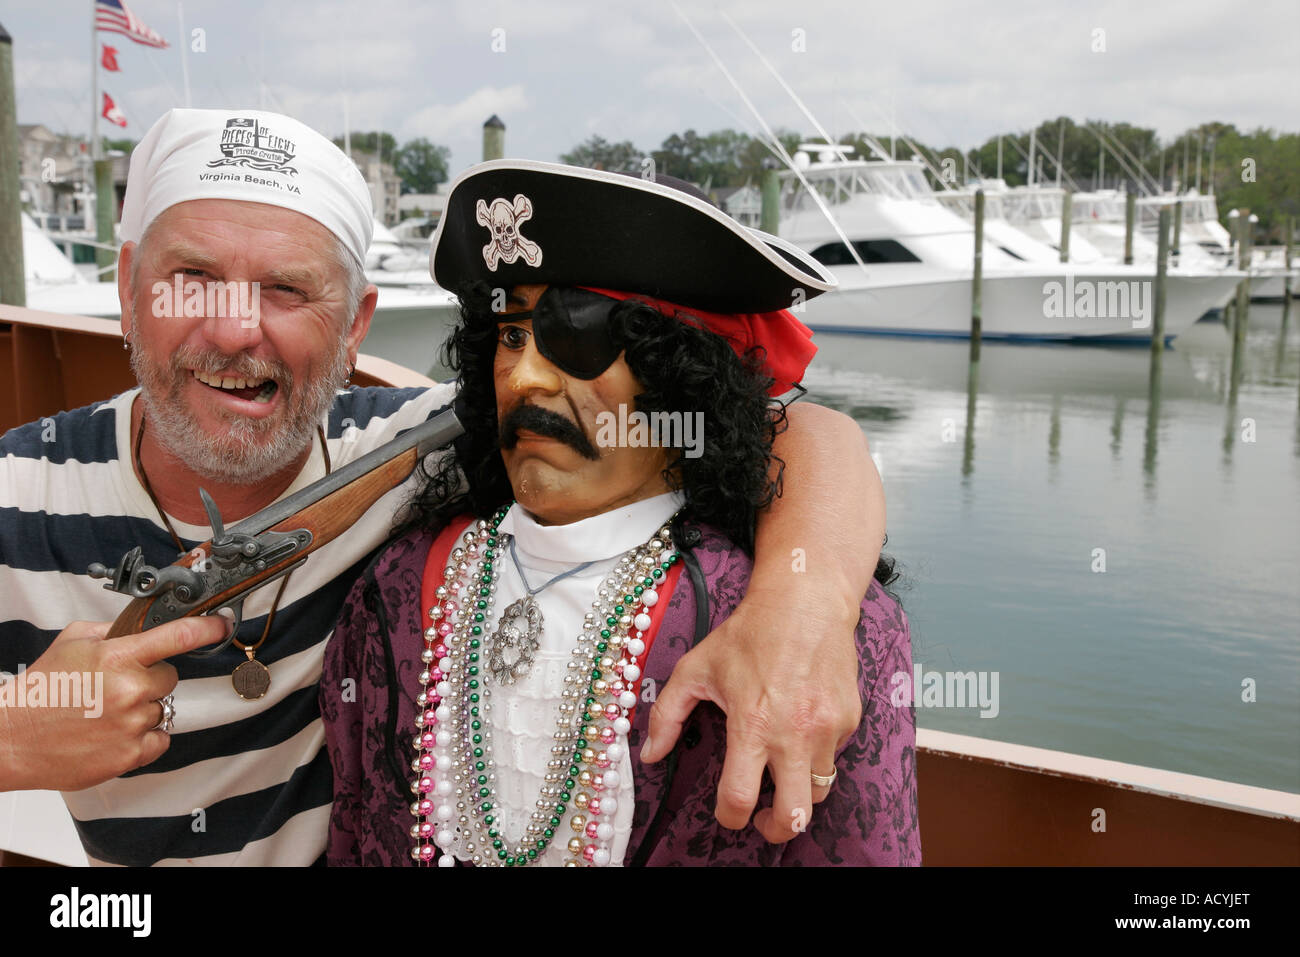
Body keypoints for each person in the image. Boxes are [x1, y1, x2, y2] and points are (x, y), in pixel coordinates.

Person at [0, 109, 887, 866]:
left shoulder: (411, 449)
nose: (237, 332)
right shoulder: (12, 488)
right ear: (125, 289)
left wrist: (805, 604)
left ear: (355, 327)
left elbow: (788, 425)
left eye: (286, 288)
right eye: (192, 277)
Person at [321, 160, 919, 866]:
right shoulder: (395, 581)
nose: (526, 376)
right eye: (512, 335)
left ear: (683, 370)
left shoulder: (808, 636)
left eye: (576, 335)